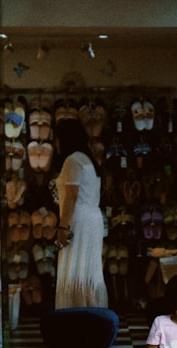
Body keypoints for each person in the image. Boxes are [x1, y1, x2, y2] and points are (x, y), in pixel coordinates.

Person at [53, 117, 108, 309]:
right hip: (92, 218)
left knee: (76, 274)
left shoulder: (72, 160)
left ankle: (83, 323)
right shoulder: (88, 160)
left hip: (79, 220)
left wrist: (63, 226)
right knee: (86, 276)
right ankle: (92, 319)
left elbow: (71, 197)